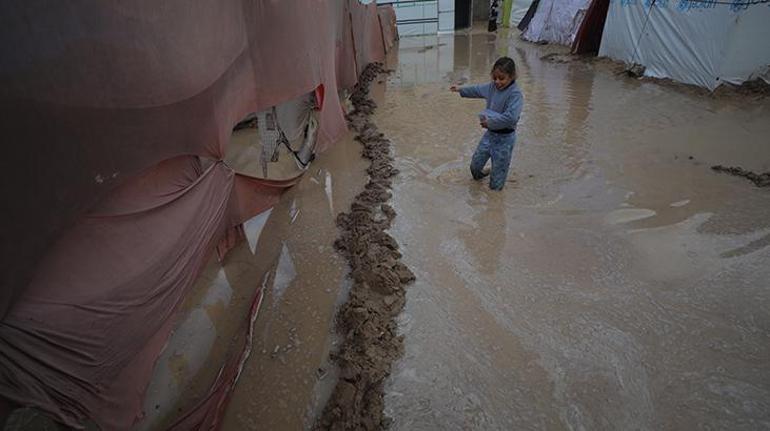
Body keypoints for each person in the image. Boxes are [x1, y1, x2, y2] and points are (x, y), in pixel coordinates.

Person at [450, 57, 523, 191]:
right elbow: (477, 90)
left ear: (512, 76)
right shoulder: (491, 87)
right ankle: (486, 173)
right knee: (475, 167)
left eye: (501, 78)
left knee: (495, 186)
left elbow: (511, 118)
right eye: (494, 78)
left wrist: (490, 123)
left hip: (505, 139)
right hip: (490, 136)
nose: (497, 82)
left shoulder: (515, 94)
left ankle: (495, 205)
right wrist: (460, 89)